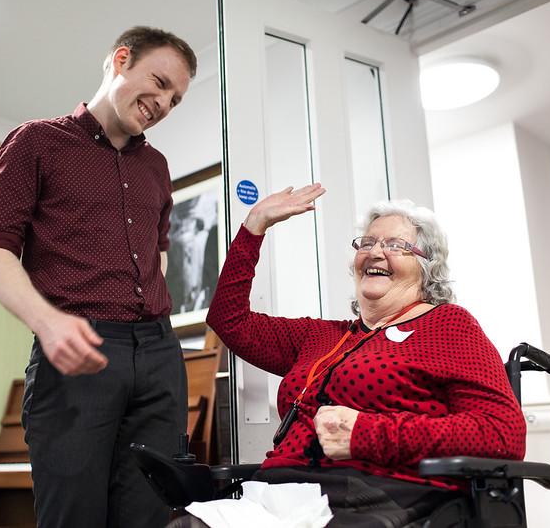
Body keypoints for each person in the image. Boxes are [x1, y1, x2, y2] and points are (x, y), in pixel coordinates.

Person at [176, 184, 526, 527]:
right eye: (368, 243)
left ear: (426, 266)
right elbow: (228, 319)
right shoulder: (324, 335)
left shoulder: (447, 325)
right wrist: (255, 226)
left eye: (395, 245)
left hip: (378, 498)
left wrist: (366, 433)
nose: (375, 252)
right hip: (279, 495)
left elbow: (502, 433)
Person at [0, 26, 197, 528]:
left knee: (150, 515)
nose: (162, 103)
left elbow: (157, 253)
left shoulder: (157, 167)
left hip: (160, 356)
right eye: (159, 83)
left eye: (175, 99)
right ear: (120, 60)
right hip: (80, 356)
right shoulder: (35, 142)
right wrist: (49, 323)